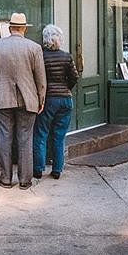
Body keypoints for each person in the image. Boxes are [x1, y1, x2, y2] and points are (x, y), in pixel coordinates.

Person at [0, 12, 46, 190]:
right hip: (28, 100)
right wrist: (41, 99)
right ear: (25, 29)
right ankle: (25, 180)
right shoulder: (34, 48)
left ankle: (6, 179)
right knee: (25, 139)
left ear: (10, 28)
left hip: (2, 98)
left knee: (5, 139)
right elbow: (41, 78)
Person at [32, 24, 79, 180]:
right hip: (65, 99)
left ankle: (38, 169)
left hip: (48, 99)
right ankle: (57, 170)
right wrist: (66, 88)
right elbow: (74, 77)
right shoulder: (67, 56)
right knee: (59, 136)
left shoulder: (41, 56)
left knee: (41, 134)